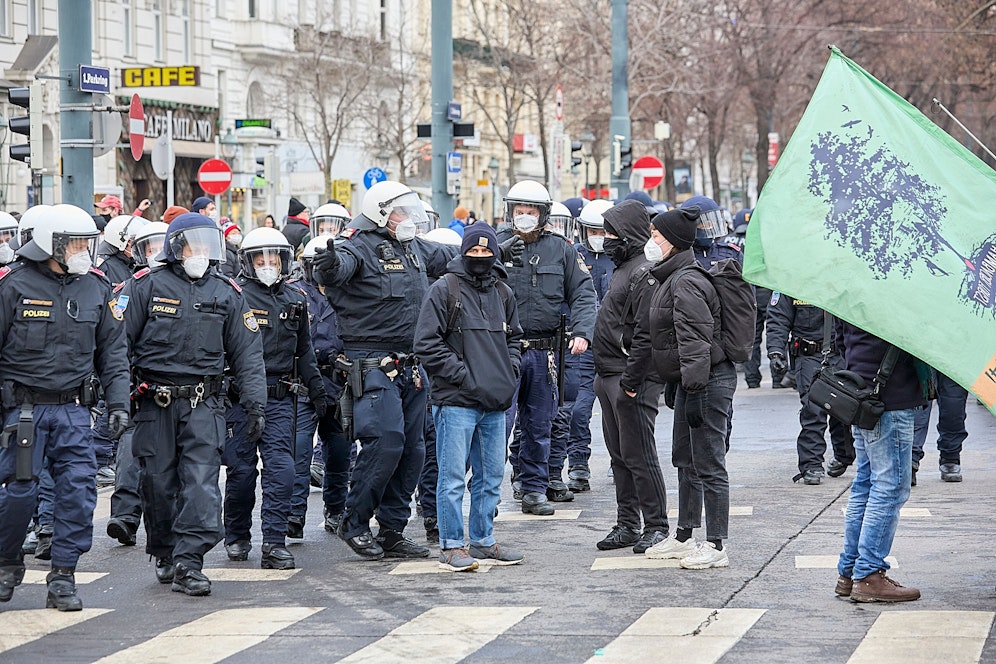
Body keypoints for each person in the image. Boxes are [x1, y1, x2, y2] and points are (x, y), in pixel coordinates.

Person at [313, 181, 522, 560]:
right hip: (372, 364)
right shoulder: (357, 246)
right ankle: (354, 521)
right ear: (380, 213)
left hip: (410, 366)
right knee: (386, 442)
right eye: (401, 211)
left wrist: (497, 249)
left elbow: (452, 255)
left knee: (414, 450)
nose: (408, 217)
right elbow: (337, 268)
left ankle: (392, 530)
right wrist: (327, 266)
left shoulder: (412, 247)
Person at [119, 213, 266, 596]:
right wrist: (117, 401)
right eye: (193, 245)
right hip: (155, 403)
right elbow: (117, 346)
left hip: (204, 403)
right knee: (158, 483)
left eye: (206, 244)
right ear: (175, 247)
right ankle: (165, 550)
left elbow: (249, 354)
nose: (200, 252)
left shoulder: (226, 292)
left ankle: (189, 562)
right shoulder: (145, 286)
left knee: (201, 483)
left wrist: (255, 405)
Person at [0, 204, 130, 611]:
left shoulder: (96, 287)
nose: (82, 252)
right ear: (50, 245)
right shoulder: (12, 286)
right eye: (74, 244)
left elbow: (113, 354)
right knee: (20, 493)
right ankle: (6, 562)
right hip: (23, 411)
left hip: (74, 411)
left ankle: (63, 576)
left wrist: (119, 403)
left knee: (78, 492)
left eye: (86, 243)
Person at [621, 207, 737, 569]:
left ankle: (716, 544)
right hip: (692, 380)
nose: (650, 241)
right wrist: (679, 383)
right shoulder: (670, 276)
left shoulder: (686, 281)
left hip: (707, 381)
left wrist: (694, 387)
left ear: (673, 242)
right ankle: (685, 536)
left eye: (656, 236)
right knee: (685, 460)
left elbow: (695, 340)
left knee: (709, 463)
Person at [414, 223, 524, 571]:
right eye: (473, 251)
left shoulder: (503, 293)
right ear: (463, 252)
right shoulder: (443, 289)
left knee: (491, 477)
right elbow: (426, 344)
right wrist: (463, 376)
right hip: (456, 401)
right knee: (451, 479)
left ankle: (483, 540)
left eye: (486, 251)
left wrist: (510, 371)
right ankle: (451, 546)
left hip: (494, 401)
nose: (480, 256)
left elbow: (515, 339)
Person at [222, 228, 327, 570]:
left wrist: (319, 392)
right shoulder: (234, 296)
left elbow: (304, 351)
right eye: (260, 258)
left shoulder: (295, 299)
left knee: (282, 469)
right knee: (241, 471)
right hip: (240, 397)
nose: (268, 264)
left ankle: (274, 542)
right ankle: (237, 534)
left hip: (280, 396)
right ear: (248, 262)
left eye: (274, 258)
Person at [496, 180, 596, 516]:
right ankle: (488, 491)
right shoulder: (495, 245)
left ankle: (535, 488)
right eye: (519, 210)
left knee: (540, 424)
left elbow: (583, 293)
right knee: (498, 424)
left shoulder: (561, 249)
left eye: (531, 211)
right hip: (502, 350)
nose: (524, 216)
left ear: (543, 214)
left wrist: (582, 332)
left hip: (544, 351)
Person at [591, 200, 670, 553]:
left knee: (639, 455)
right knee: (620, 457)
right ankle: (627, 524)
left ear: (628, 235)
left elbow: (646, 334)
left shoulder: (643, 272)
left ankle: (656, 525)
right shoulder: (623, 268)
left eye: (611, 233)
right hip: (609, 374)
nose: (605, 239)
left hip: (629, 378)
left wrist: (632, 382)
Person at [834, 322, 927, 602]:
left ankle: (851, 571)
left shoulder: (852, 295)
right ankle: (869, 575)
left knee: (865, 484)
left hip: (862, 389)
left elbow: (840, 338)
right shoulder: (894, 297)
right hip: (889, 395)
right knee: (890, 487)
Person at [104, 221, 170, 548]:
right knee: (131, 448)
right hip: (141, 384)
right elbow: (117, 340)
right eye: (150, 247)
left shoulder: (195, 286)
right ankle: (126, 516)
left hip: (182, 386)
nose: (157, 253)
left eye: (161, 245)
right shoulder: (130, 288)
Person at [291, 236, 350, 537]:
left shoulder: (349, 293)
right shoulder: (294, 292)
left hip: (338, 383)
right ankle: (293, 514)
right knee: (299, 450)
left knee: (339, 453)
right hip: (303, 382)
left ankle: (336, 510)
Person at [766, 297, 854, 485]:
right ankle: (811, 464)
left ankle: (843, 455)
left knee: (843, 407)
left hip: (842, 353)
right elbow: (779, 317)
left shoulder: (846, 281)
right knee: (813, 408)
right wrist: (775, 351)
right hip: (809, 354)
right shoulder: (794, 284)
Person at [562, 199, 614, 493]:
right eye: (593, 231)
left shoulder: (622, 258)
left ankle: (620, 460)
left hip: (614, 345)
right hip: (582, 343)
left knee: (618, 410)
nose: (598, 237)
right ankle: (578, 463)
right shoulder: (573, 256)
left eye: (602, 231)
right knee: (578, 409)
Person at [911, 369, 967, 485]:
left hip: (956, 360)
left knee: (954, 409)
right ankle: (910, 460)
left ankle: (950, 457)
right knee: (918, 409)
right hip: (925, 359)